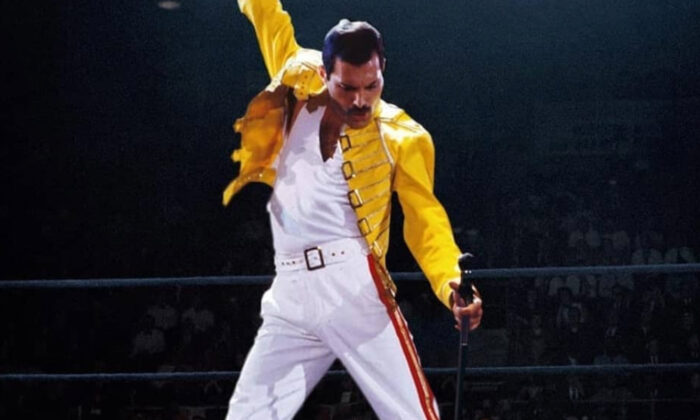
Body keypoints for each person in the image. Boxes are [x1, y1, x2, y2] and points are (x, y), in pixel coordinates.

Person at [222, 0, 483, 418]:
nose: (361, 100)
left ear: (382, 71)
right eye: (347, 88)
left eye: (371, 86)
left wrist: (449, 282)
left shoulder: (403, 136)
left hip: (353, 287)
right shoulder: (296, 75)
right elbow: (266, 13)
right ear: (324, 74)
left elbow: (425, 221)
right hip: (290, 288)